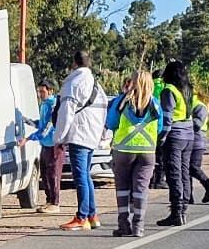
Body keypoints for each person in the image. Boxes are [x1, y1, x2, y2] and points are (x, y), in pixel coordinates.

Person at [105, 71, 163, 238]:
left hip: (123, 150)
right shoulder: (155, 104)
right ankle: (139, 226)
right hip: (147, 151)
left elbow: (110, 123)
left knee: (122, 188)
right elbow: (160, 128)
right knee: (141, 189)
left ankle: (124, 224)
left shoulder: (122, 101)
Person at [54, 51, 106, 231]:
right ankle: (92, 215)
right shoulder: (97, 85)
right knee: (86, 175)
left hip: (79, 134)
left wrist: (59, 138)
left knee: (80, 177)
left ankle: (82, 216)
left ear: (74, 63)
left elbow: (66, 111)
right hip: (92, 135)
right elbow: (103, 110)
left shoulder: (73, 83)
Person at [156, 59, 195, 226]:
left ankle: (176, 211)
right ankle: (183, 208)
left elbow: (167, 117)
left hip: (175, 135)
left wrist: (161, 137)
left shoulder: (168, 90)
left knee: (174, 174)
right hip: (189, 133)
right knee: (185, 172)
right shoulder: (188, 89)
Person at [19, 80, 62, 214]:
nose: (40, 94)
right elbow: (41, 124)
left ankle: (55, 202)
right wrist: (28, 121)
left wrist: (28, 139)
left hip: (54, 143)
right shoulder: (43, 105)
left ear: (50, 91)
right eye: (39, 91)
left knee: (53, 173)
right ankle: (49, 200)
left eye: (42, 92)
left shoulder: (53, 105)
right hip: (45, 144)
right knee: (45, 173)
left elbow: (47, 128)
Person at [191, 92, 209, 204]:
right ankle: (187, 196)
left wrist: (184, 124)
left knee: (192, 167)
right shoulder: (194, 102)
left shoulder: (198, 104)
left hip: (197, 139)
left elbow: (197, 124)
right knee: (185, 168)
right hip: (191, 138)